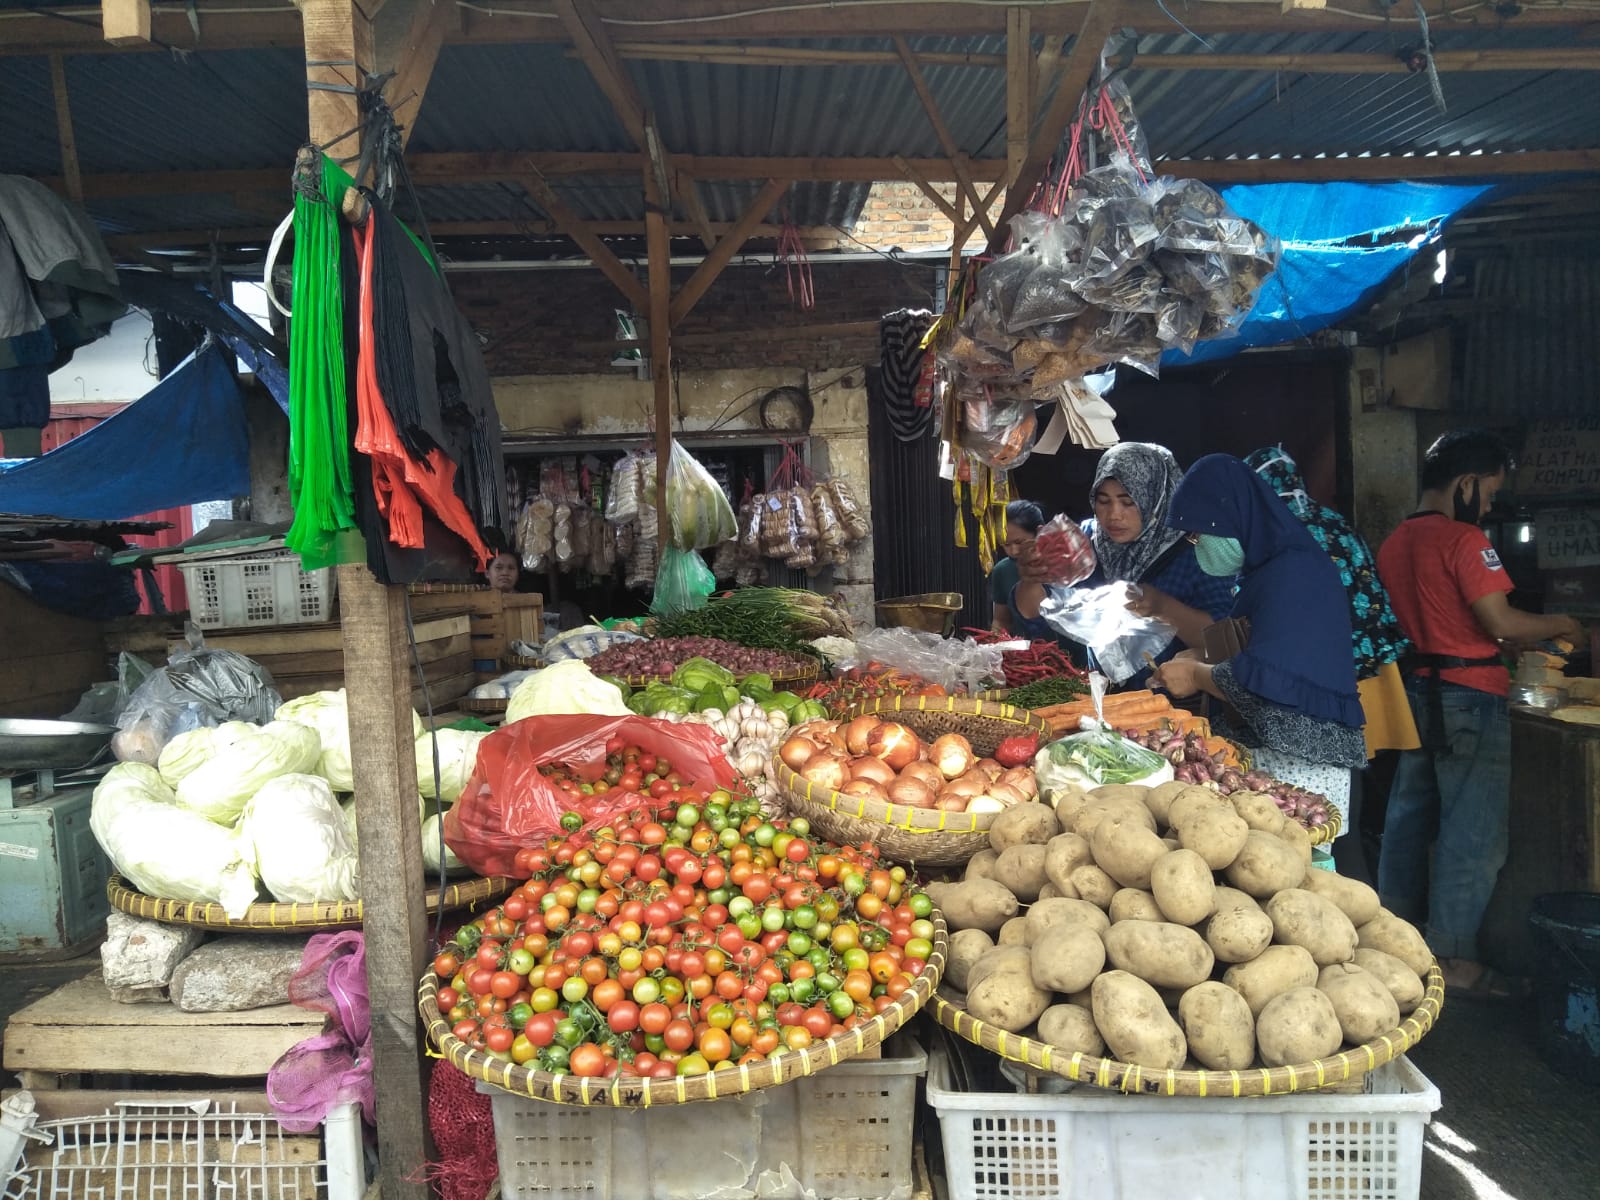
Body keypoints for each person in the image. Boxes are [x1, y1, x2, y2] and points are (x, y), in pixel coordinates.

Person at [1376, 430, 1586, 998]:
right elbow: (1502, 622)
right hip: (1469, 696)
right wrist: (1563, 626)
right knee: (1473, 835)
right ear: (1466, 484)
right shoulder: (1465, 540)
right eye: (1489, 492)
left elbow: (1440, 622)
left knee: (1408, 818)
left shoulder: (1396, 540)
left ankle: (1388, 939)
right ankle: (1455, 960)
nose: (1490, 505)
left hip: (1417, 691)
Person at [1149, 454, 1368, 824]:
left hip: (1303, 778)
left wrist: (1197, 675)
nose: (1196, 544)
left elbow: (1268, 687)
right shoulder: (1271, 571)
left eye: (1198, 533)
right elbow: (1265, 653)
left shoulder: (1293, 576)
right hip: (1281, 769)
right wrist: (1199, 658)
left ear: (1234, 517)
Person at [1245, 445, 1418, 882]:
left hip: (1305, 698)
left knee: (1310, 826)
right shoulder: (1339, 528)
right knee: (1342, 820)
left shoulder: (1273, 542)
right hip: (1361, 687)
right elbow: (1375, 609)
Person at [1078, 442, 1238, 689]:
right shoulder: (1089, 540)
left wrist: (1163, 607)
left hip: (1174, 712)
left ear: (1157, 498)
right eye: (1103, 501)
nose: (1114, 515)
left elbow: (1222, 641)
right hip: (1096, 702)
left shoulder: (1198, 551)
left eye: (1128, 502)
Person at [990, 500, 1044, 635]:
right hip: (1026, 654)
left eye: (1019, 542)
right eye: (1006, 544)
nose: (1014, 551)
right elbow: (1001, 621)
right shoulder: (1001, 571)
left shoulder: (1062, 563)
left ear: (1039, 532)